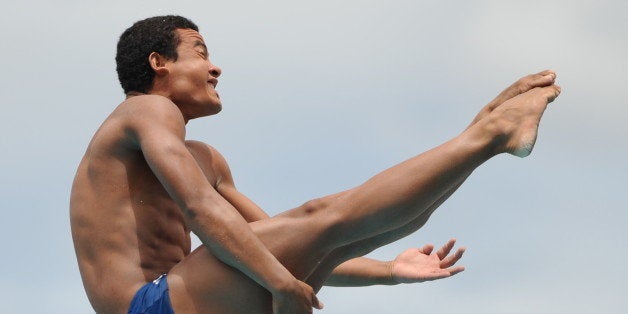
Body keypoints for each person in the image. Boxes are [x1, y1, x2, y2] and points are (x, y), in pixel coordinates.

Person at [70, 15, 561, 314]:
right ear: (159, 63)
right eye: (200, 54)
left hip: (189, 301)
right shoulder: (144, 110)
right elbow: (202, 212)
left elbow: (275, 237)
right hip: (148, 308)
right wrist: (283, 286)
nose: (215, 67)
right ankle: (486, 135)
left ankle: (487, 141)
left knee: (347, 230)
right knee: (324, 215)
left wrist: (388, 269)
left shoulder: (204, 159)